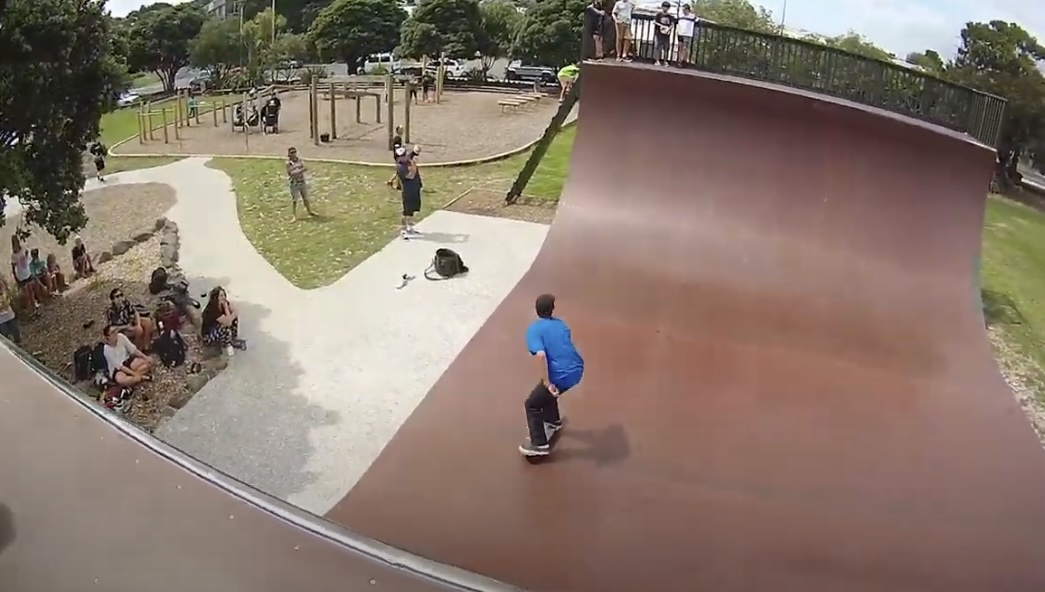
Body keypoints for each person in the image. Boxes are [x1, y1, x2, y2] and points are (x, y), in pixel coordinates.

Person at [519, 294, 585, 457]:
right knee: (547, 394)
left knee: (532, 404)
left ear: (537, 311)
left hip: (561, 375)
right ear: (552, 309)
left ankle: (539, 444)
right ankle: (553, 421)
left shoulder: (533, 330)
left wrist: (547, 382)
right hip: (576, 368)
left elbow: (541, 356)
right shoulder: (561, 324)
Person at [201, 286, 247, 357]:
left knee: (233, 319)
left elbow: (235, 311)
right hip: (209, 335)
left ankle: (233, 339)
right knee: (224, 326)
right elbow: (228, 323)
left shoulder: (223, 303)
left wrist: (230, 314)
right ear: (216, 297)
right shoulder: (213, 309)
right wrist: (226, 309)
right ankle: (227, 344)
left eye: (224, 295)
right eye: (221, 296)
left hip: (217, 329)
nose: (223, 297)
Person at [106, 287, 155, 352]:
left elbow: (135, 312)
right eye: (117, 296)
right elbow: (112, 328)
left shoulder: (126, 303)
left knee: (148, 322)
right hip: (122, 330)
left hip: (130, 322)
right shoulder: (111, 312)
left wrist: (138, 324)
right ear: (113, 300)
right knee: (138, 330)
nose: (120, 298)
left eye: (121, 295)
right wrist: (126, 327)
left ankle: (146, 346)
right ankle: (137, 350)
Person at [396, 145, 424, 239]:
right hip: (408, 190)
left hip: (415, 188)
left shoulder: (408, 159)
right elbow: (410, 176)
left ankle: (410, 228)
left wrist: (416, 150)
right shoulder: (400, 167)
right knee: (406, 211)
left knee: (412, 209)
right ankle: (403, 230)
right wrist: (413, 166)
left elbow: (414, 153)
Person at [286, 146, 317, 221]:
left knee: (305, 198)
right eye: (292, 152)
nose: (294, 154)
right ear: (289, 154)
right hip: (294, 183)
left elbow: (305, 168)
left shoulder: (299, 160)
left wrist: (297, 171)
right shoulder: (288, 163)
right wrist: (299, 170)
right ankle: (294, 215)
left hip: (302, 181)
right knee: (295, 200)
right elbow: (290, 173)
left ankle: (309, 211)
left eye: (294, 152)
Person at [9, 236, 38, 316]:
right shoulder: (14, 256)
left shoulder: (23, 249)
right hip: (21, 276)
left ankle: (34, 308)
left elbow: (27, 255)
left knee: (31, 292)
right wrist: (15, 277)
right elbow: (13, 267)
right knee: (27, 295)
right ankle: (30, 311)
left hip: (27, 272)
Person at [652, 1, 677, 66]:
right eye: (664, 7)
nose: (665, 8)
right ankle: (657, 60)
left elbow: (672, 24)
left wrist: (668, 29)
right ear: (662, 7)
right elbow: (655, 22)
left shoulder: (670, 16)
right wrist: (660, 26)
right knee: (657, 47)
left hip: (666, 35)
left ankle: (665, 61)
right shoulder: (658, 15)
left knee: (666, 48)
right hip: (658, 34)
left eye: (666, 7)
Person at [0, 280, 21, 344]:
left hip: (9, 315)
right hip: (1, 320)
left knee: (16, 334)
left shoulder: (3, 291)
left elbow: (7, 297)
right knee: (6, 337)